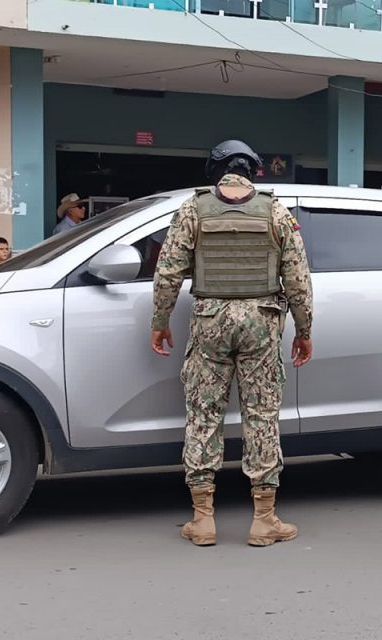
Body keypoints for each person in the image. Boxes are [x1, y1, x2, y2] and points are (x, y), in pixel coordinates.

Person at [150, 139, 313, 547]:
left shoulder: (193, 208)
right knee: (262, 416)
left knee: (204, 414)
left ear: (215, 170)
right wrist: (304, 329)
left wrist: (160, 320)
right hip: (262, 321)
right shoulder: (276, 210)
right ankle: (264, 519)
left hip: (209, 320)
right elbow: (298, 278)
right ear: (255, 171)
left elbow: (168, 271)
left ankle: (203, 520)